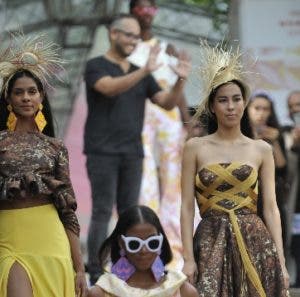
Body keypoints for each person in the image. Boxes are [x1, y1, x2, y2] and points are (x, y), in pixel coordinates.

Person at [84, 14, 191, 284]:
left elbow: (166, 102)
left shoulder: (140, 71)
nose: (134, 40)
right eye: (129, 35)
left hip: (132, 152)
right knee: (102, 210)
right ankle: (96, 272)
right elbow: (108, 88)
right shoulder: (96, 66)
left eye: (136, 36)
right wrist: (144, 71)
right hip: (102, 151)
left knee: (130, 213)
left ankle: (124, 271)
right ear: (113, 34)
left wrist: (180, 81)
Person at [180, 41, 289, 296]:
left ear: (244, 103)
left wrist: (281, 260)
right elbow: (186, 206)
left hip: (255, 240)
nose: (231, 106)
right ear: (212, 106)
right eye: (223, 100)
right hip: (210, 238)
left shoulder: (261, 149)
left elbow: (271, 208)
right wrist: (187, 257)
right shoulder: (194, 147)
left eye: (237, 99)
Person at [0, 33, 87, 296]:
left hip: (50, 238)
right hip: (9, 238)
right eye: (19, 92)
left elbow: (67, 209)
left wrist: (80, 268)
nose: (26, 98)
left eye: (32, 92)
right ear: (9, 100)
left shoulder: (55, 147)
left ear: (40, 98)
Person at [128, 0, 191, 269]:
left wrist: (188, 121)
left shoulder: (167, 48)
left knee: (174, 180)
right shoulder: (127, 48)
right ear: (132, 11)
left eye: (151, 6)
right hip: (140, 119)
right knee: (146, 180)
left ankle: (175, 250)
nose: (146, 12)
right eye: (141, 7)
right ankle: (147, 239)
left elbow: (178, 87)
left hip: (169, 119)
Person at [88, 205, 199, 297]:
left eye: (152, 242)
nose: (144, 250)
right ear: (121, 243)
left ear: (160, 241)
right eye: (134, 244)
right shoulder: (102, 292)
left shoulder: (183, 291)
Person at [247, 90, 288, 248]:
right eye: (257, 108)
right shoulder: (241, 135)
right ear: (248, 109)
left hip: (272, 197)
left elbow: (282, 167)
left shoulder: (276, 133)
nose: (261, 113)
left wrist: (275, 142)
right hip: (248, 198)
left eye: (266, 109)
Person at [286, 90, 300, 287]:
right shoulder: (285, 134)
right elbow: (286, 171)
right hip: (296, 203)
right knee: (297, 244)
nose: (297, 110)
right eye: (293, 106)